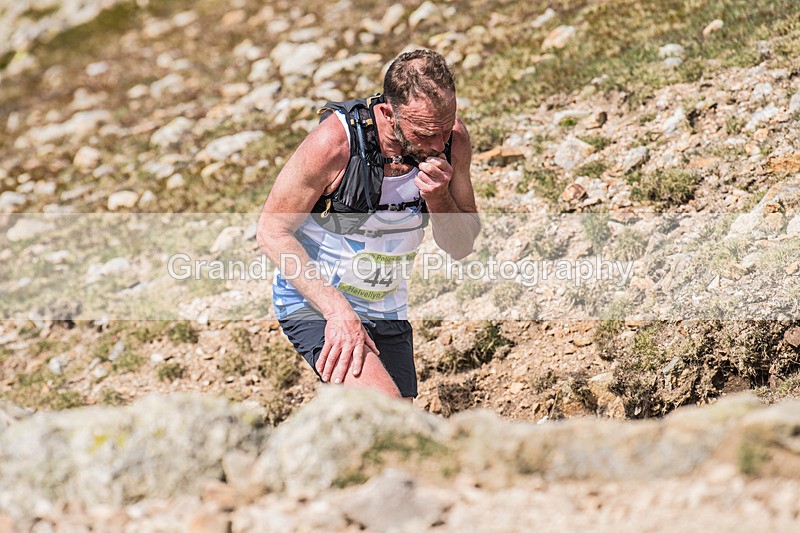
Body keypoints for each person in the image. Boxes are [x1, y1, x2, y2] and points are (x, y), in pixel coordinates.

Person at [257, 49, 480, 401]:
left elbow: (461, 246)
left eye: (444, 127)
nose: (438, 144)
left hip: (385, 305)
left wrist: (439, 199)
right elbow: (271, 231)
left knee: (399, 432)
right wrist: (337, 312)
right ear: (389, 112)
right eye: (423, 133)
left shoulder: (453, 140)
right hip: (317, 302)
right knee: (390, 416)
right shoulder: (334, 144)